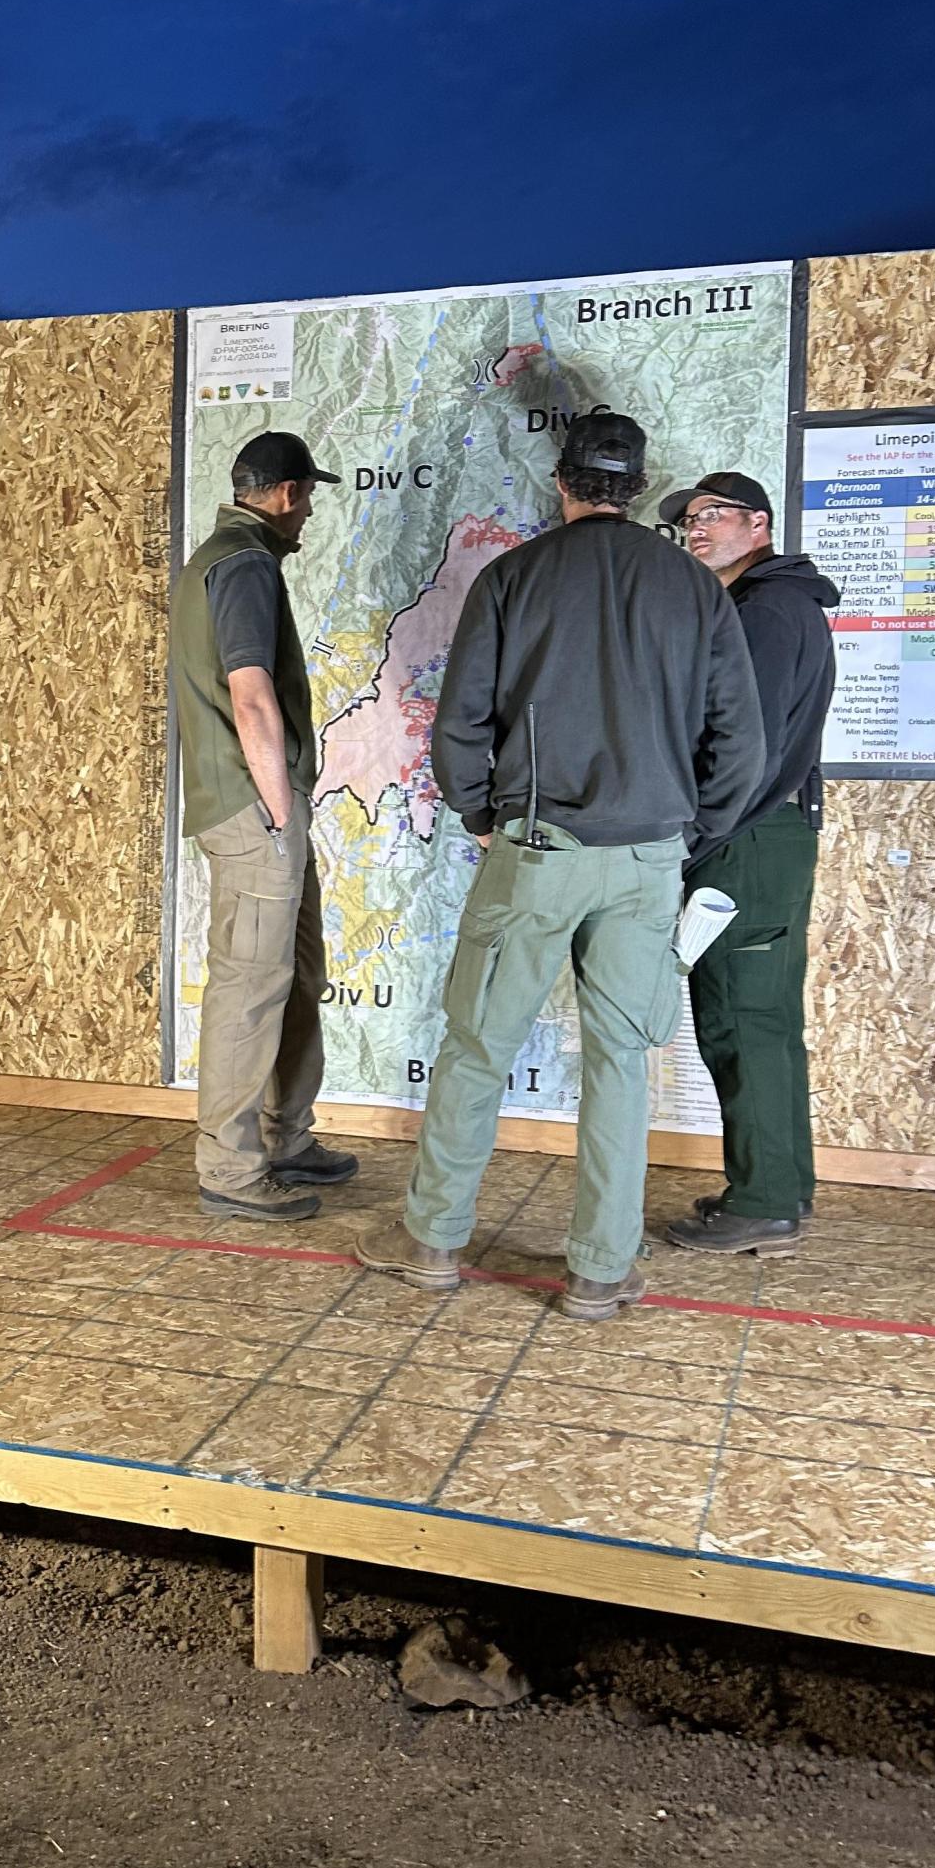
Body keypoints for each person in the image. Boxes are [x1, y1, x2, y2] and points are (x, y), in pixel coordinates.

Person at [356, 410, 766, 1320]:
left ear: (563, 481)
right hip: (649, 861)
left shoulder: (513, 577)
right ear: (640, 483)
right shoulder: (695, 589)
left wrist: (479, 812)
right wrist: (685, 835)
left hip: (538, 851)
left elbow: (461, 721)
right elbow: (740, 740)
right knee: (623, 1060)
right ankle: (601, 1269)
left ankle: (431, 1240)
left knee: (476, 1049)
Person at [171, 430, 360, 1223]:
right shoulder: (243, 564)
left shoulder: (225, 557)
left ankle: (286, 1139)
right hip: (257, 812)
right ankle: (232, 1171)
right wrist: (280, 810)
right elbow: (250, 696)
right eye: (307, 496)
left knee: (294, 974)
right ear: (284, 495)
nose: (307, 510)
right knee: (250, 989)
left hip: (263, 811)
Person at [656, 471, 839, 1256]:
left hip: (748, 840)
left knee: (740, 1017)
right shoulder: (771, 605)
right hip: (771, 837)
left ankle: (763, 1201)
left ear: (758, 524)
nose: (695, 531)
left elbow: (744, 749)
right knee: (768, 1019)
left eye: (711, 516)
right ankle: (782, 1184)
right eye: (687, 522)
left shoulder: (764, 612)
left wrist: (692, 841)